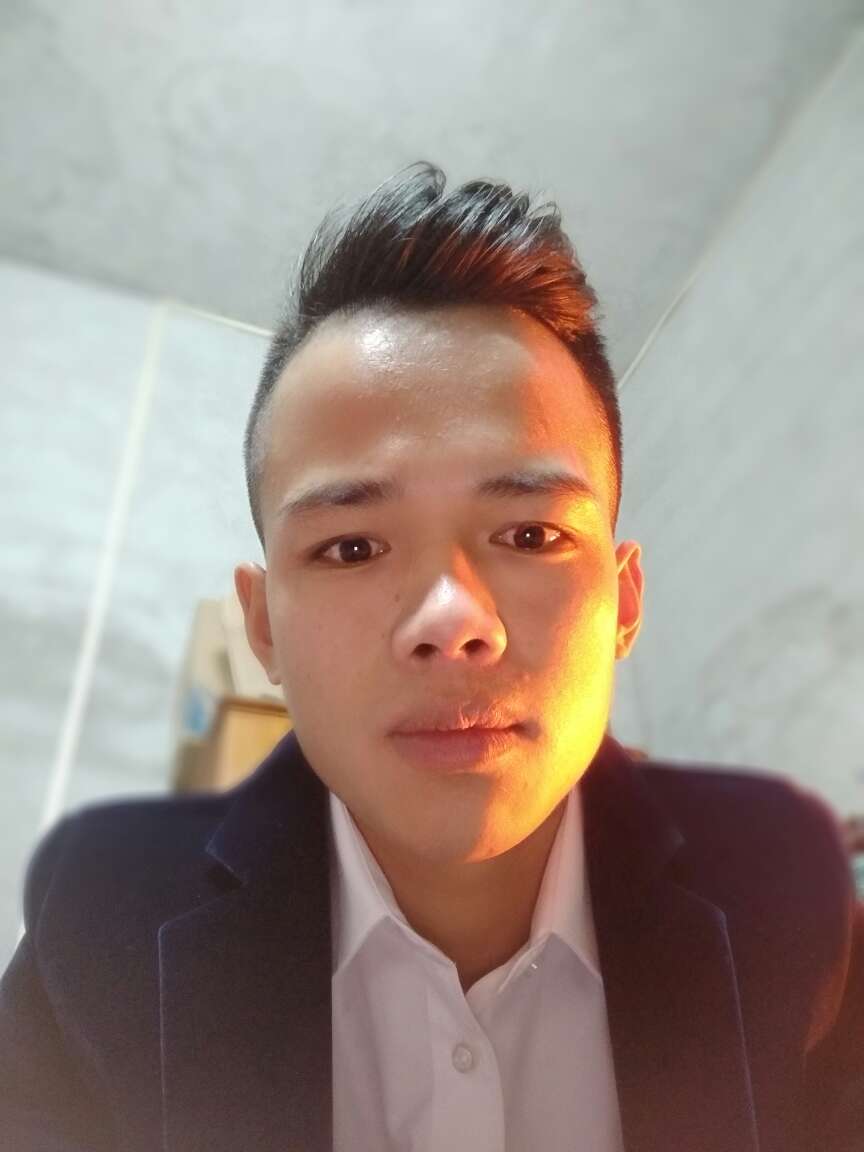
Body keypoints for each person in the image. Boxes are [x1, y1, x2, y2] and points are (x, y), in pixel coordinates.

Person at [1, 164, 861, 1152]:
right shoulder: (99, 920)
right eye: (351, 547)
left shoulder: (787, 893)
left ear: (623, 602)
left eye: (530, 535)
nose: (451, 622)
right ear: (264, 627)